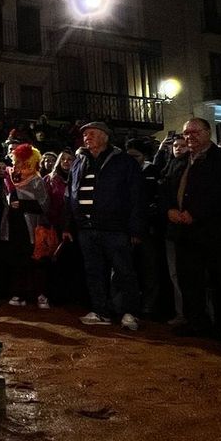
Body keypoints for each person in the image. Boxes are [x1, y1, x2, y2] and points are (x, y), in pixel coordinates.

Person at [160, 118, 221, 341]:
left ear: (208, 132)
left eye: (195, 132)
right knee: (190, 281)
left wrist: (197, 212)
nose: (190, 136)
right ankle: (196, 323)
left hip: (215, 232)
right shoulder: (179, 161)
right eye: (186, 133)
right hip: (184, 233)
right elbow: (164, 188)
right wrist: (169, 209)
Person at [67, 122, 146, 329]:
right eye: (84, 135)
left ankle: (130, 312)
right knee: (94, 271)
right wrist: (70, 223)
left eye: (91, 133)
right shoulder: (79, 162)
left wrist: (136, 228)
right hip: (87, 227)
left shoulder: (124, 162)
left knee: (124, 271)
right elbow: (71, 193)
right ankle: (100, 311)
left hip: (115, 227)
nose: (87, 137)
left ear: (105, 136)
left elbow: (137, 196)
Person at [0, 144, 48, 307]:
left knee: (32, 260)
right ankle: (18, 293)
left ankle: (36, 293)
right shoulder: (9, 177)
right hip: (12, 224)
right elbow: (4, 199)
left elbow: (45, 205)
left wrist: (24, 205)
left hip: (30, 227)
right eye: (17, 161)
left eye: (23, 161)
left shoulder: (36, 179)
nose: (18, 164)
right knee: (15, 259)